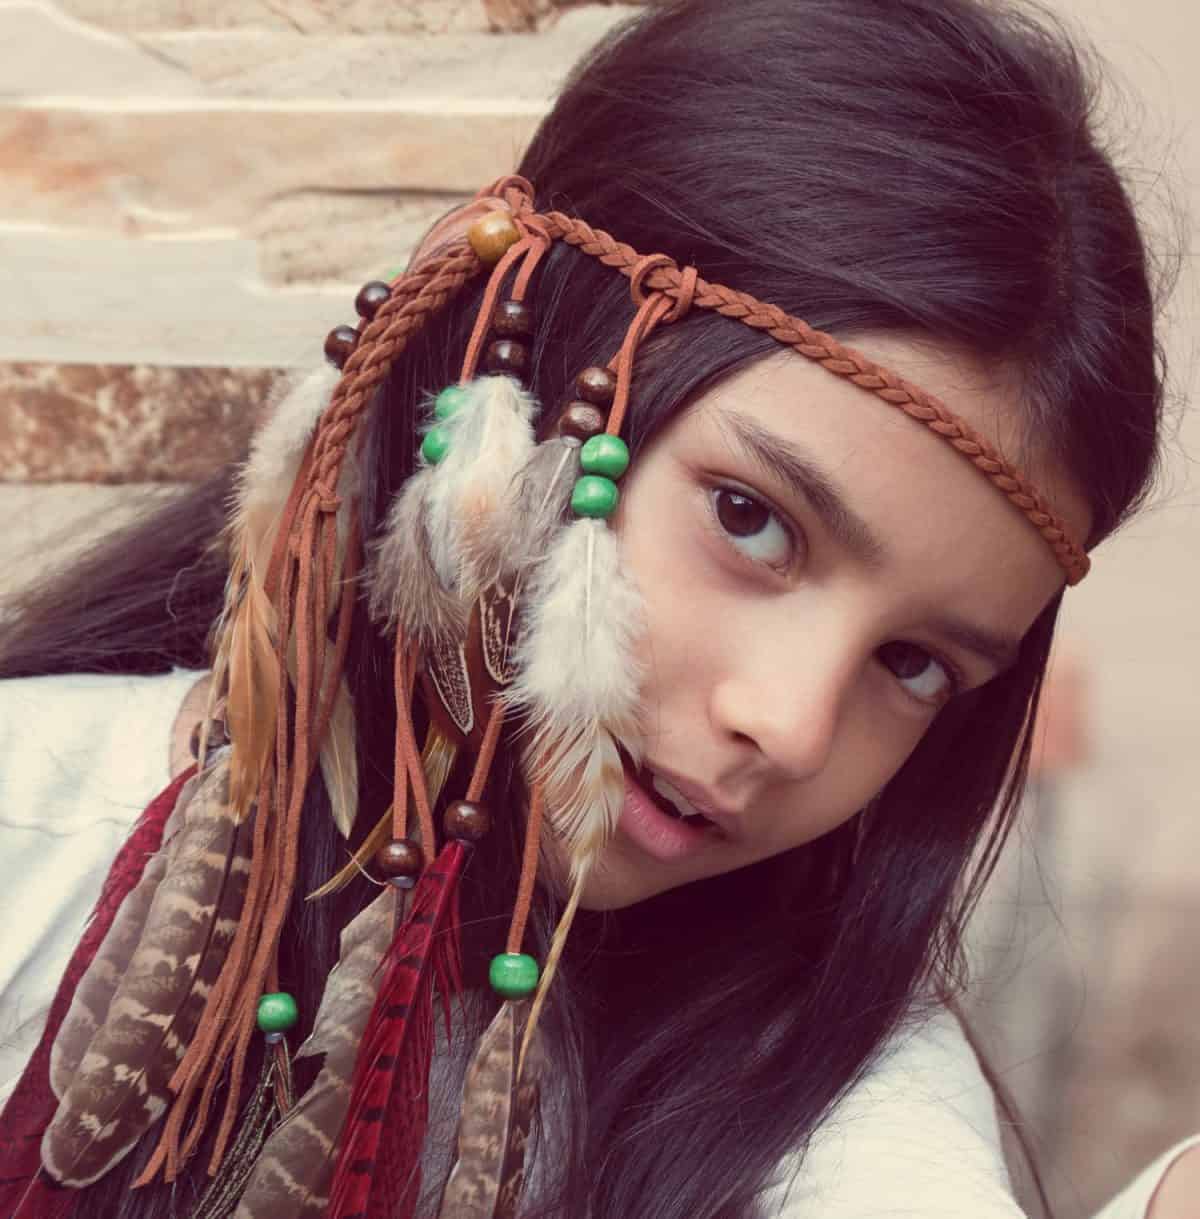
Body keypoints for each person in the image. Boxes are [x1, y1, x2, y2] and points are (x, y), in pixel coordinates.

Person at [0, 0, 1194, 1216]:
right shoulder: (30, 826)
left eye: (919, 664)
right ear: (503, 373)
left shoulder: (832, 1113)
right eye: (751, 518)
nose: (791, 726)